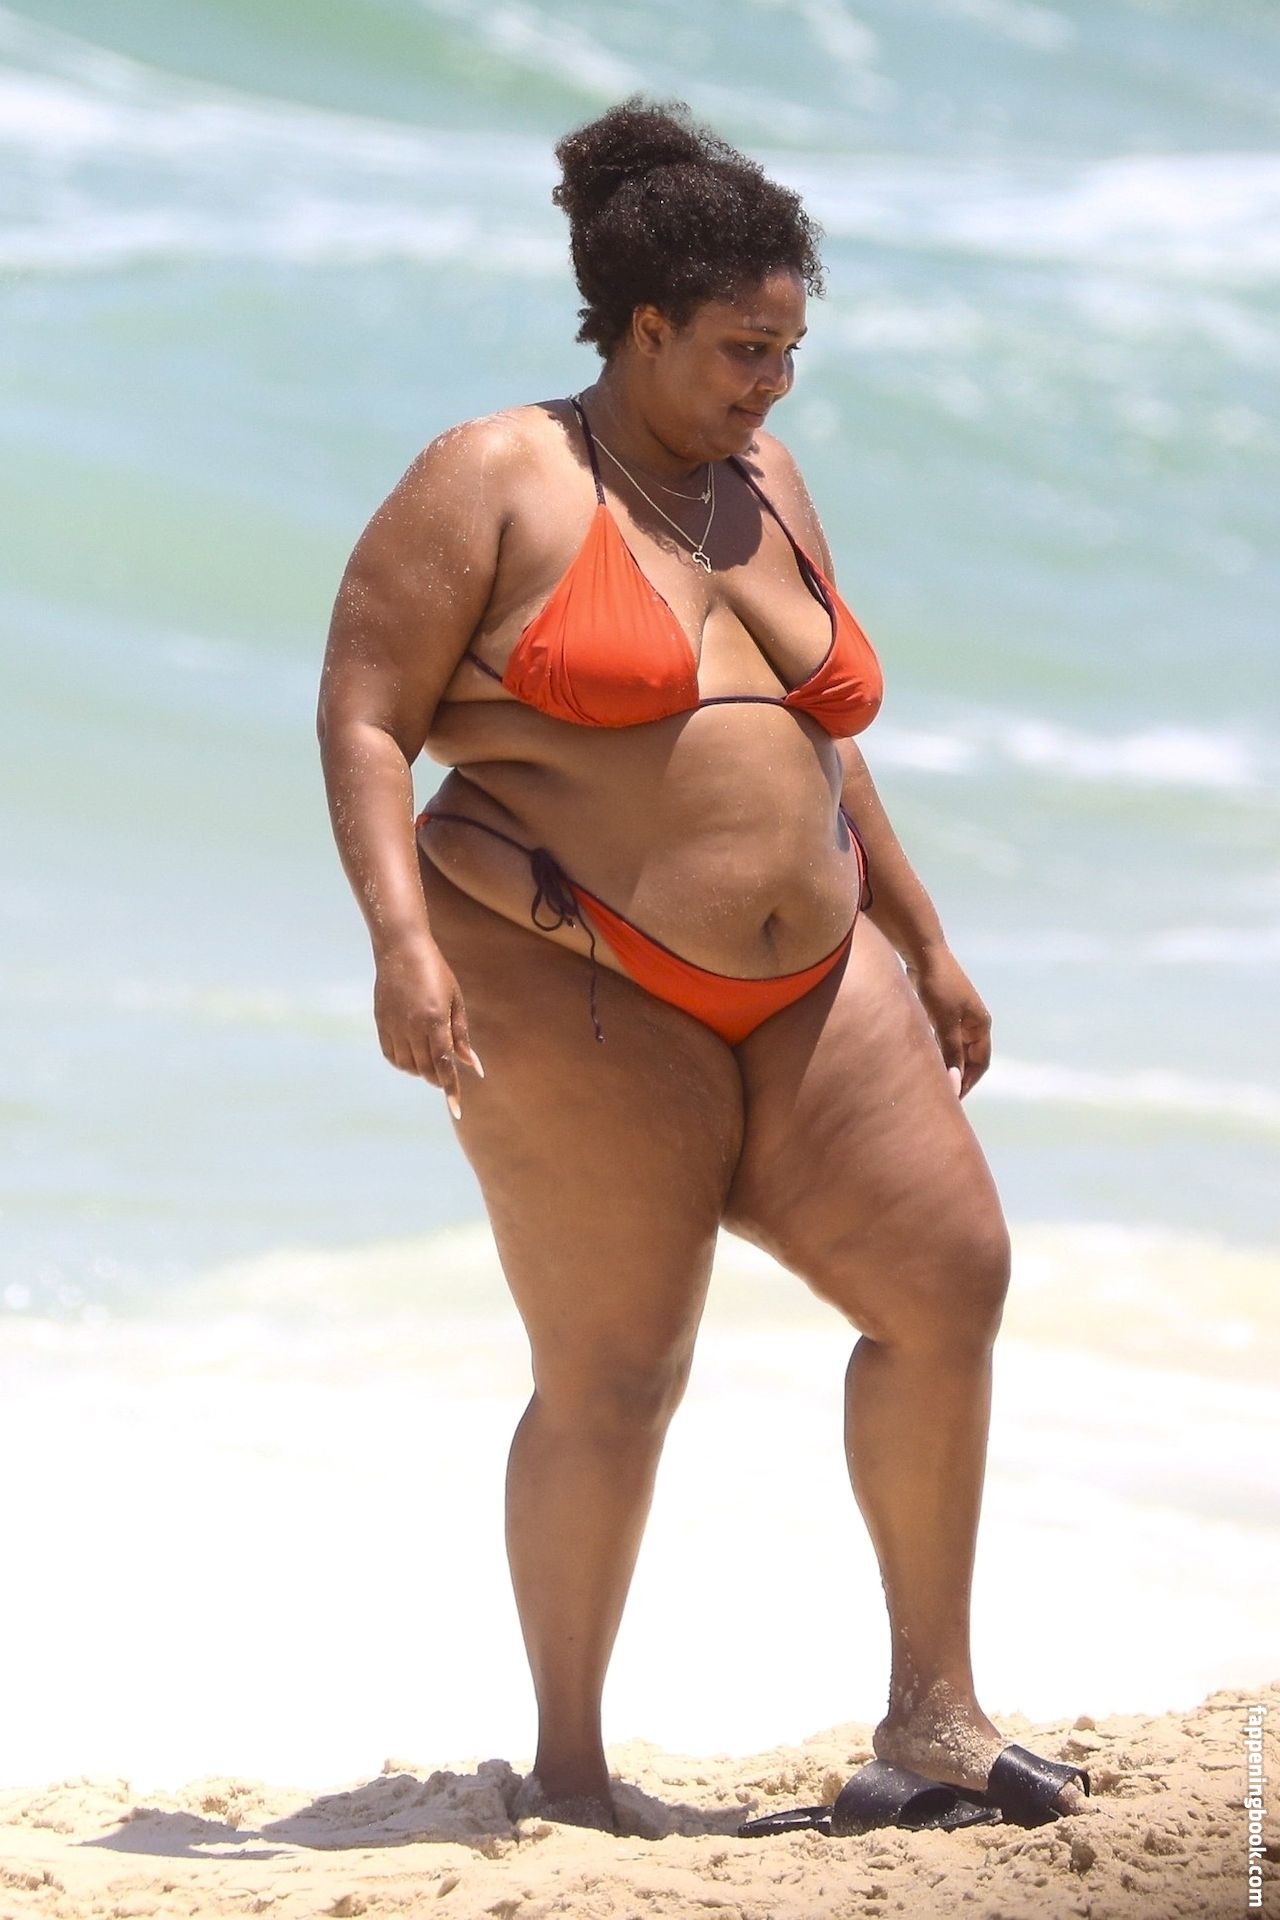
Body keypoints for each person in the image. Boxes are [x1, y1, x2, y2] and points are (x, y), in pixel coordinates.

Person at [317, 99, 1089, 1835]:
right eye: (748, 348)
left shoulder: (766, 483)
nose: (775, 382)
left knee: (949, 1281)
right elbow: (363, 715)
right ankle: (570, 1771)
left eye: (792, 348)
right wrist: (396, 945)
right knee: (618, 1371)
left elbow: (815, 734)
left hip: (813, 978)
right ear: (645, 324)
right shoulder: (494, 478)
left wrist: (925, 937)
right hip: (569, 977)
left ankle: (934, 1720)